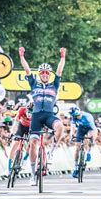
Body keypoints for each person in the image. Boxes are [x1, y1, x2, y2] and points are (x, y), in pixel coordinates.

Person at [19, 46, 66, 185]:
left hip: (49, 115)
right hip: (36, 117)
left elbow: (59, 70)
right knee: (33, 143)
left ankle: (52, 151)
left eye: (47, 73)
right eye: (42, 72)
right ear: (39, 74)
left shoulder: (54, 84)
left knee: (60, 126)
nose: (45, 74)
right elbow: (27, 70)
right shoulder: (34, 84)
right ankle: (33, 175)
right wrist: (22, 57)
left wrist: (62, 58)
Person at [69, 106, 98, 178]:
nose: (77, 117)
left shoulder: (87, 117)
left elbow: (94, 130)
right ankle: (75, 168)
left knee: (90, 138)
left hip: (90, 128)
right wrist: (71, 136)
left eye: (77, 116)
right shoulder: (74, 118)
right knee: (77, 148)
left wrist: (92, 139)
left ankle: (89, 152)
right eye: (75, 116)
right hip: (81, 129)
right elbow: (72, 128)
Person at [8, 101, 33, 174]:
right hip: (21, 126)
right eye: (29, 111)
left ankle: (25, 159)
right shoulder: (22, 110)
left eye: (32, 112)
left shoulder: (37, 114)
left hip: (31, 128)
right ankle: (9, 168)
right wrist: (12, 133)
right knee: (15, 144)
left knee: (31, 144)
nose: (29, 114)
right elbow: (15, 122)